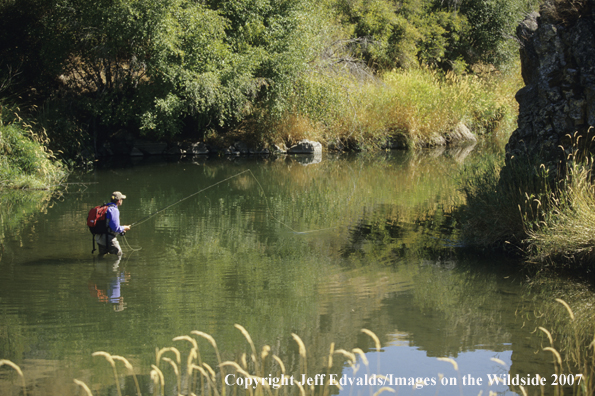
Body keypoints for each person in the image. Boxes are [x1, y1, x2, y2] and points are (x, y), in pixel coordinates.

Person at [95, 191, 131, 257]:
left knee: (101, 256)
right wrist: (124, 227)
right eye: (122, 199)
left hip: (99, 238)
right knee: (119, 255)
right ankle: (116, 267)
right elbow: (115, 228)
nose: (122, 201)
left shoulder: (105, 207)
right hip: (109, 239)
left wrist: (121, 229)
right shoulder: (114, 210)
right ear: (119, 201)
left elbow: (108, 225)